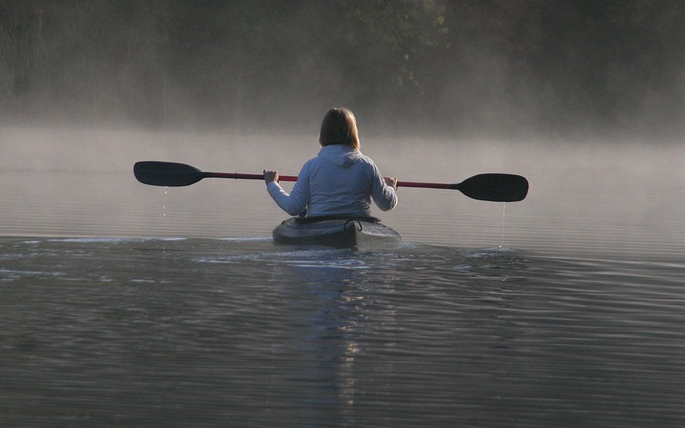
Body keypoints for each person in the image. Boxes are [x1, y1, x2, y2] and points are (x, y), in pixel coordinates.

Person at [264, 107, 398, 218]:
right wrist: (390, 188)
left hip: (318, 227)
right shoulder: (367, 165)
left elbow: (293, 207)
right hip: (357, 225)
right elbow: (386, 204)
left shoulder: (312, 166)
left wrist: (272, 183)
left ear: (324, 133)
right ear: (354, 133)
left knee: (302, 214)